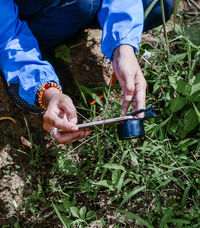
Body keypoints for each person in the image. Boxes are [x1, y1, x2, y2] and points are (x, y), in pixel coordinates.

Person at [0, 0, 174, 144]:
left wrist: (123, 48)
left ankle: (70, 25)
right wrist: (48, 94)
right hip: (18, 24)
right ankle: (30, 70)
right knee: (82, 6)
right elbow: (8, 37)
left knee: (159, 5)